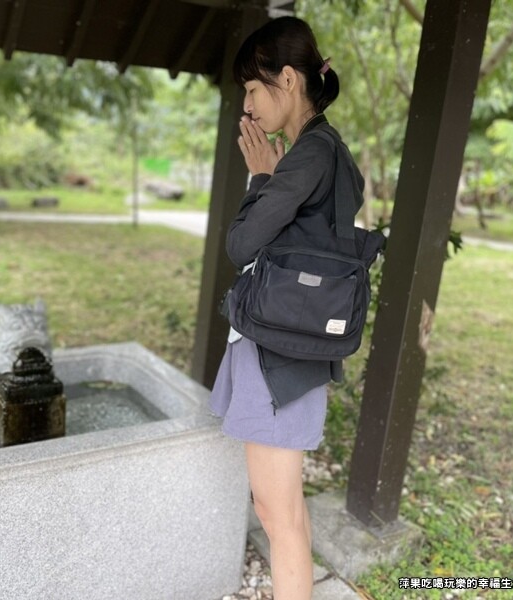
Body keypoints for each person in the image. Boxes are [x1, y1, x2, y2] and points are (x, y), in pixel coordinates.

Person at [208, 16, 363, 600]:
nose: (248, 105)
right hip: (298, 350)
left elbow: (242, 245)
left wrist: (261, 180)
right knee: (287, 512)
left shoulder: (306, 156)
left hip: (277, 354)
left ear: (290, 80)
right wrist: (274, 180)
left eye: (253, 88)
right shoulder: (334, 154)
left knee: (276, 515)